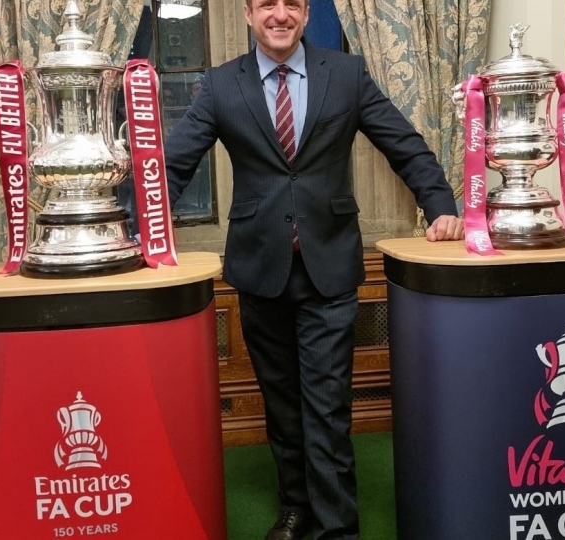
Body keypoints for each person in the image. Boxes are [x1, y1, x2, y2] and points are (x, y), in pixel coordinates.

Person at [163, 0, 463, 538]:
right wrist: (139, 230)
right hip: (258, 269)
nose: (280, 15)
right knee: (282, 407)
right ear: (249, 15)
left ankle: (335, 528)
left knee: (325, 409)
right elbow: (174, 165)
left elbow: (402, 142)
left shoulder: (345, 74)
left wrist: (440, 205)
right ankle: (296, 507)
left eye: (293, 4)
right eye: (266, 5)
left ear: (304, 14)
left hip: (329, 268)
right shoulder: (221, 84)